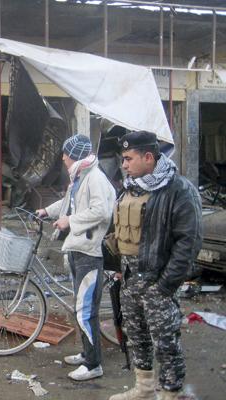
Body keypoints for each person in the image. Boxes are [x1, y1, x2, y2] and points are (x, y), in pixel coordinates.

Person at [109, 131, 202, 400]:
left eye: (128, 158)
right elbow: (121, 230)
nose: (124, 164)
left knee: (166, 341)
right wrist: (117, 265)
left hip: (156, 279)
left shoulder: (178, 190)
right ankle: (145, 388)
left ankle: (171, 393)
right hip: (128, 277)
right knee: (136, 335)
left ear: (148, 157)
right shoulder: (130, 187)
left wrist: (165, 285)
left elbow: (189, 243)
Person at [36, 134, 116, 381]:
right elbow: (68, 202)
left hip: (89, 252)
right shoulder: (80, 177)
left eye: (65, 153)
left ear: (76, 155)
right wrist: (47, 211)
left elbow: (102, 211)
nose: (62, 157)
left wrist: (69, 221)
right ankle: (86, 353)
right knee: (80, 306)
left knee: (85, 310)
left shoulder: (96, 178)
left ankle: (94, 365)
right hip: (77, 248)